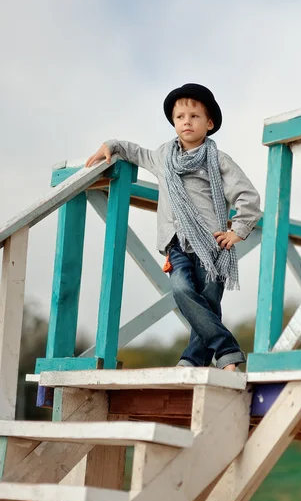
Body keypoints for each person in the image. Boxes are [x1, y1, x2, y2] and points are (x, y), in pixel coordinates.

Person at [86, 83, 261, 371]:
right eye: (180, 117)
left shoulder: (218, 159)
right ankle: (228, 353)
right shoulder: (163, 156)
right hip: (176, 243)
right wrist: (112, 145)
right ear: (173, 122)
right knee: (181, 289)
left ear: (209, 123)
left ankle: (192, 360)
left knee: (208, 302)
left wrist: (238, 230)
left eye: (194, 116)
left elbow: (247, 196)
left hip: (212, 245)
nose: (186, 122)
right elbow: (136, 153)